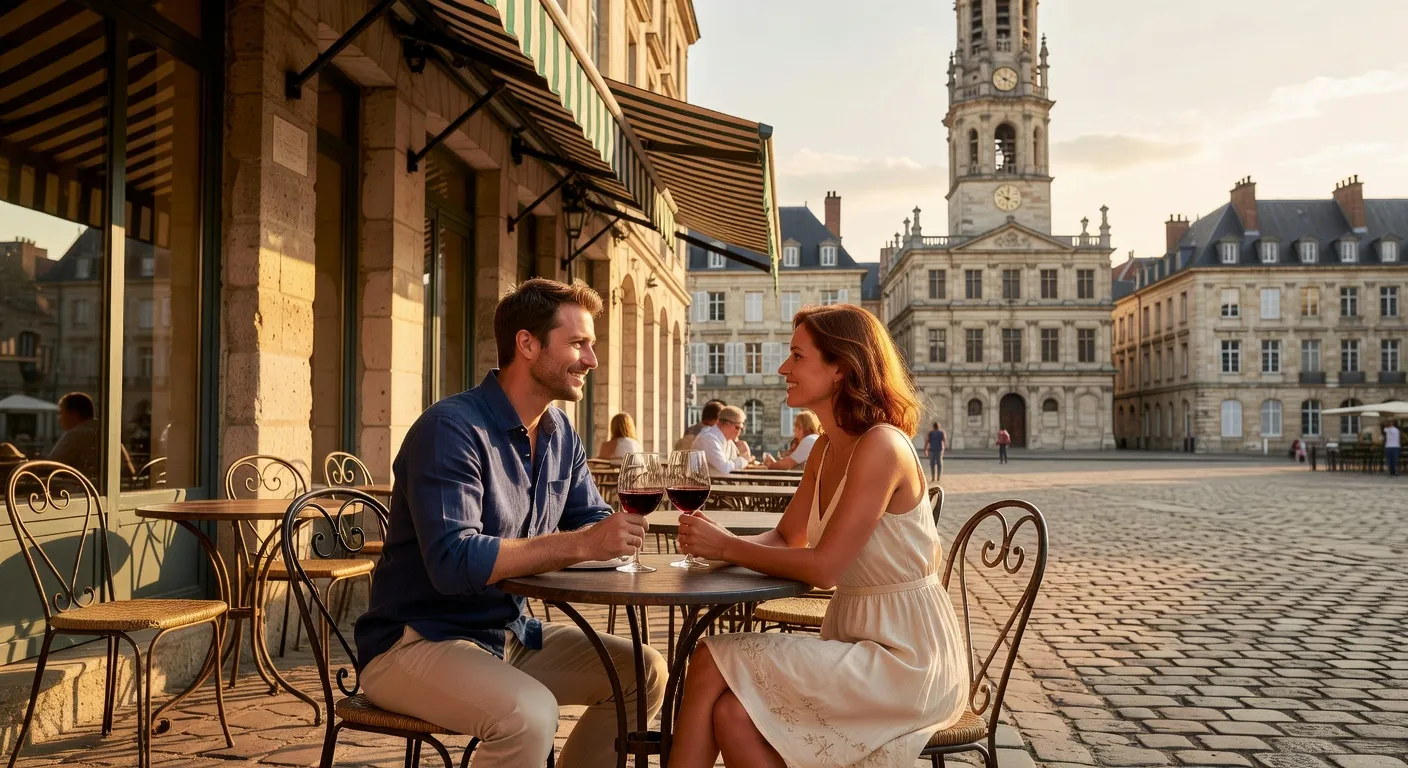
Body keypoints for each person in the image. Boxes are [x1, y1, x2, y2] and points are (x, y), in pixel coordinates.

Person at [355, 278, 666, 768]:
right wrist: (581, 545)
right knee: (530, 713)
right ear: (527, 343)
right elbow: (454, 562)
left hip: (509, 634)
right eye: (579, 344)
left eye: (593, 345)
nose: (592, 360)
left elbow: (591, 519)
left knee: (645, 671)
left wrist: (603, 536)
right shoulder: (451, 429)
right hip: (415, 642)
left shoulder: (560, 432)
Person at [668, 303, 967, 768]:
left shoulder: (881, 446)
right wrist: (713, 551)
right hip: (856, 636)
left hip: (905, 657)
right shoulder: (827, 445)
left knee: (708, 656)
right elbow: (789, 536)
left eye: (797, 356)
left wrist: (727, 546)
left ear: (841, 370)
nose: (784, 368)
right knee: (731, 714)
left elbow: (825, 568)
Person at [47, 392, 102, 479]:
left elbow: (48, 466)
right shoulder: (105, 431)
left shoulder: (77, 434)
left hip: (80, 490)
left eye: (61, 413)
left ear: (73, 414)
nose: (59, 419)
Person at [692, 405, 750, 476]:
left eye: (741, 429)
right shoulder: (708, 438)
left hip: (715, 483)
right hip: (701, 484)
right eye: (738, 428)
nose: (740, 432)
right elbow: (724, 469)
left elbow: (735, 463)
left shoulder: (728, 441)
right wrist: (743, 459)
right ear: (727, 424)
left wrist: (743, 455)